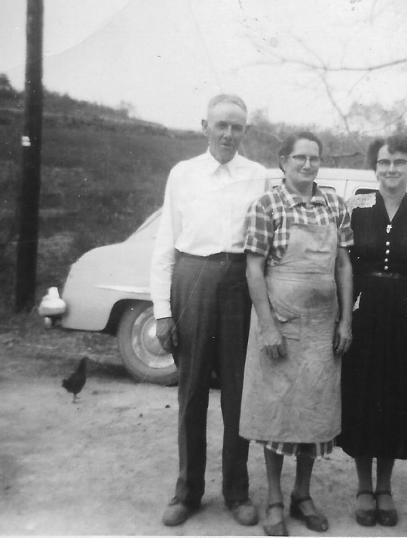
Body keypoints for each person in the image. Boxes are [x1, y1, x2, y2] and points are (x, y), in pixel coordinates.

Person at [149, 94, 267, 528]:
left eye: (237, 127)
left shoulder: (258, 176)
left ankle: (237, 492)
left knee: (239, 394)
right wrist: (162, 311)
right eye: (221, 125)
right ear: (205, 126)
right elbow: (165, 244)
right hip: (192, 280)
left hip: (239, 283)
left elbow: (266, 245)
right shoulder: (183, 174)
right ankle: (188, 492)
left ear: (245, 132)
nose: (228, 134)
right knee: (192, 391)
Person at [239, 131, 354, 536]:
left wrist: (345, 322)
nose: (308, 165)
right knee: (277, 413)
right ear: (283, 161)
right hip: (281, 326)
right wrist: (267, 326)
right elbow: (254, 269)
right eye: (300, 157)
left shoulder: (335, 205)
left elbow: (342, 266)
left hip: (324, 328)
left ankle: (302, 496)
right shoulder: (266, 206)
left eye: (315, 158)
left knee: (314, 414)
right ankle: (273, 498)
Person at [338, 135, 407, 528]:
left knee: (395, 397)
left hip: (405, 312)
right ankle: (363, 487)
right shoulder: (355, 208)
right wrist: (343, 315)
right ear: (375, 167)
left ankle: (385, 488)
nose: (391, 169)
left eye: (399, 162)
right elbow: (342, 264)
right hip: (364, 309)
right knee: (364, 396)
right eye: (384, 162)